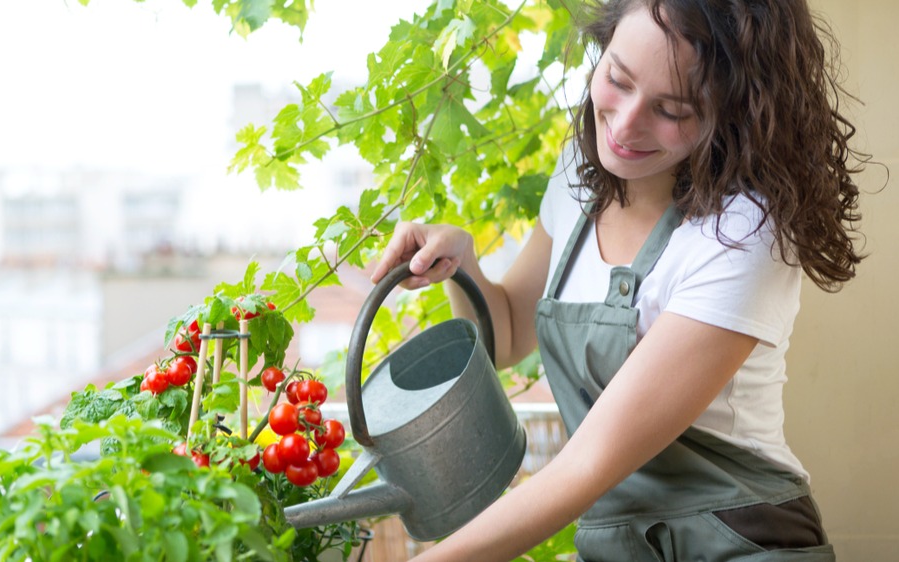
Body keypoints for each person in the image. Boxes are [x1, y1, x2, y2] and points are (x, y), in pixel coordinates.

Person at [369, 0, 867, 560]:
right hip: (621, 545)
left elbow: (587, 465)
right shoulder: (578, 180)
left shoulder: (742, 232)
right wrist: (463, 266)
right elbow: (505, 336)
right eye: (617, 79)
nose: (626, 124)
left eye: (672, 109)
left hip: (737, 541)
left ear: (730, 112)